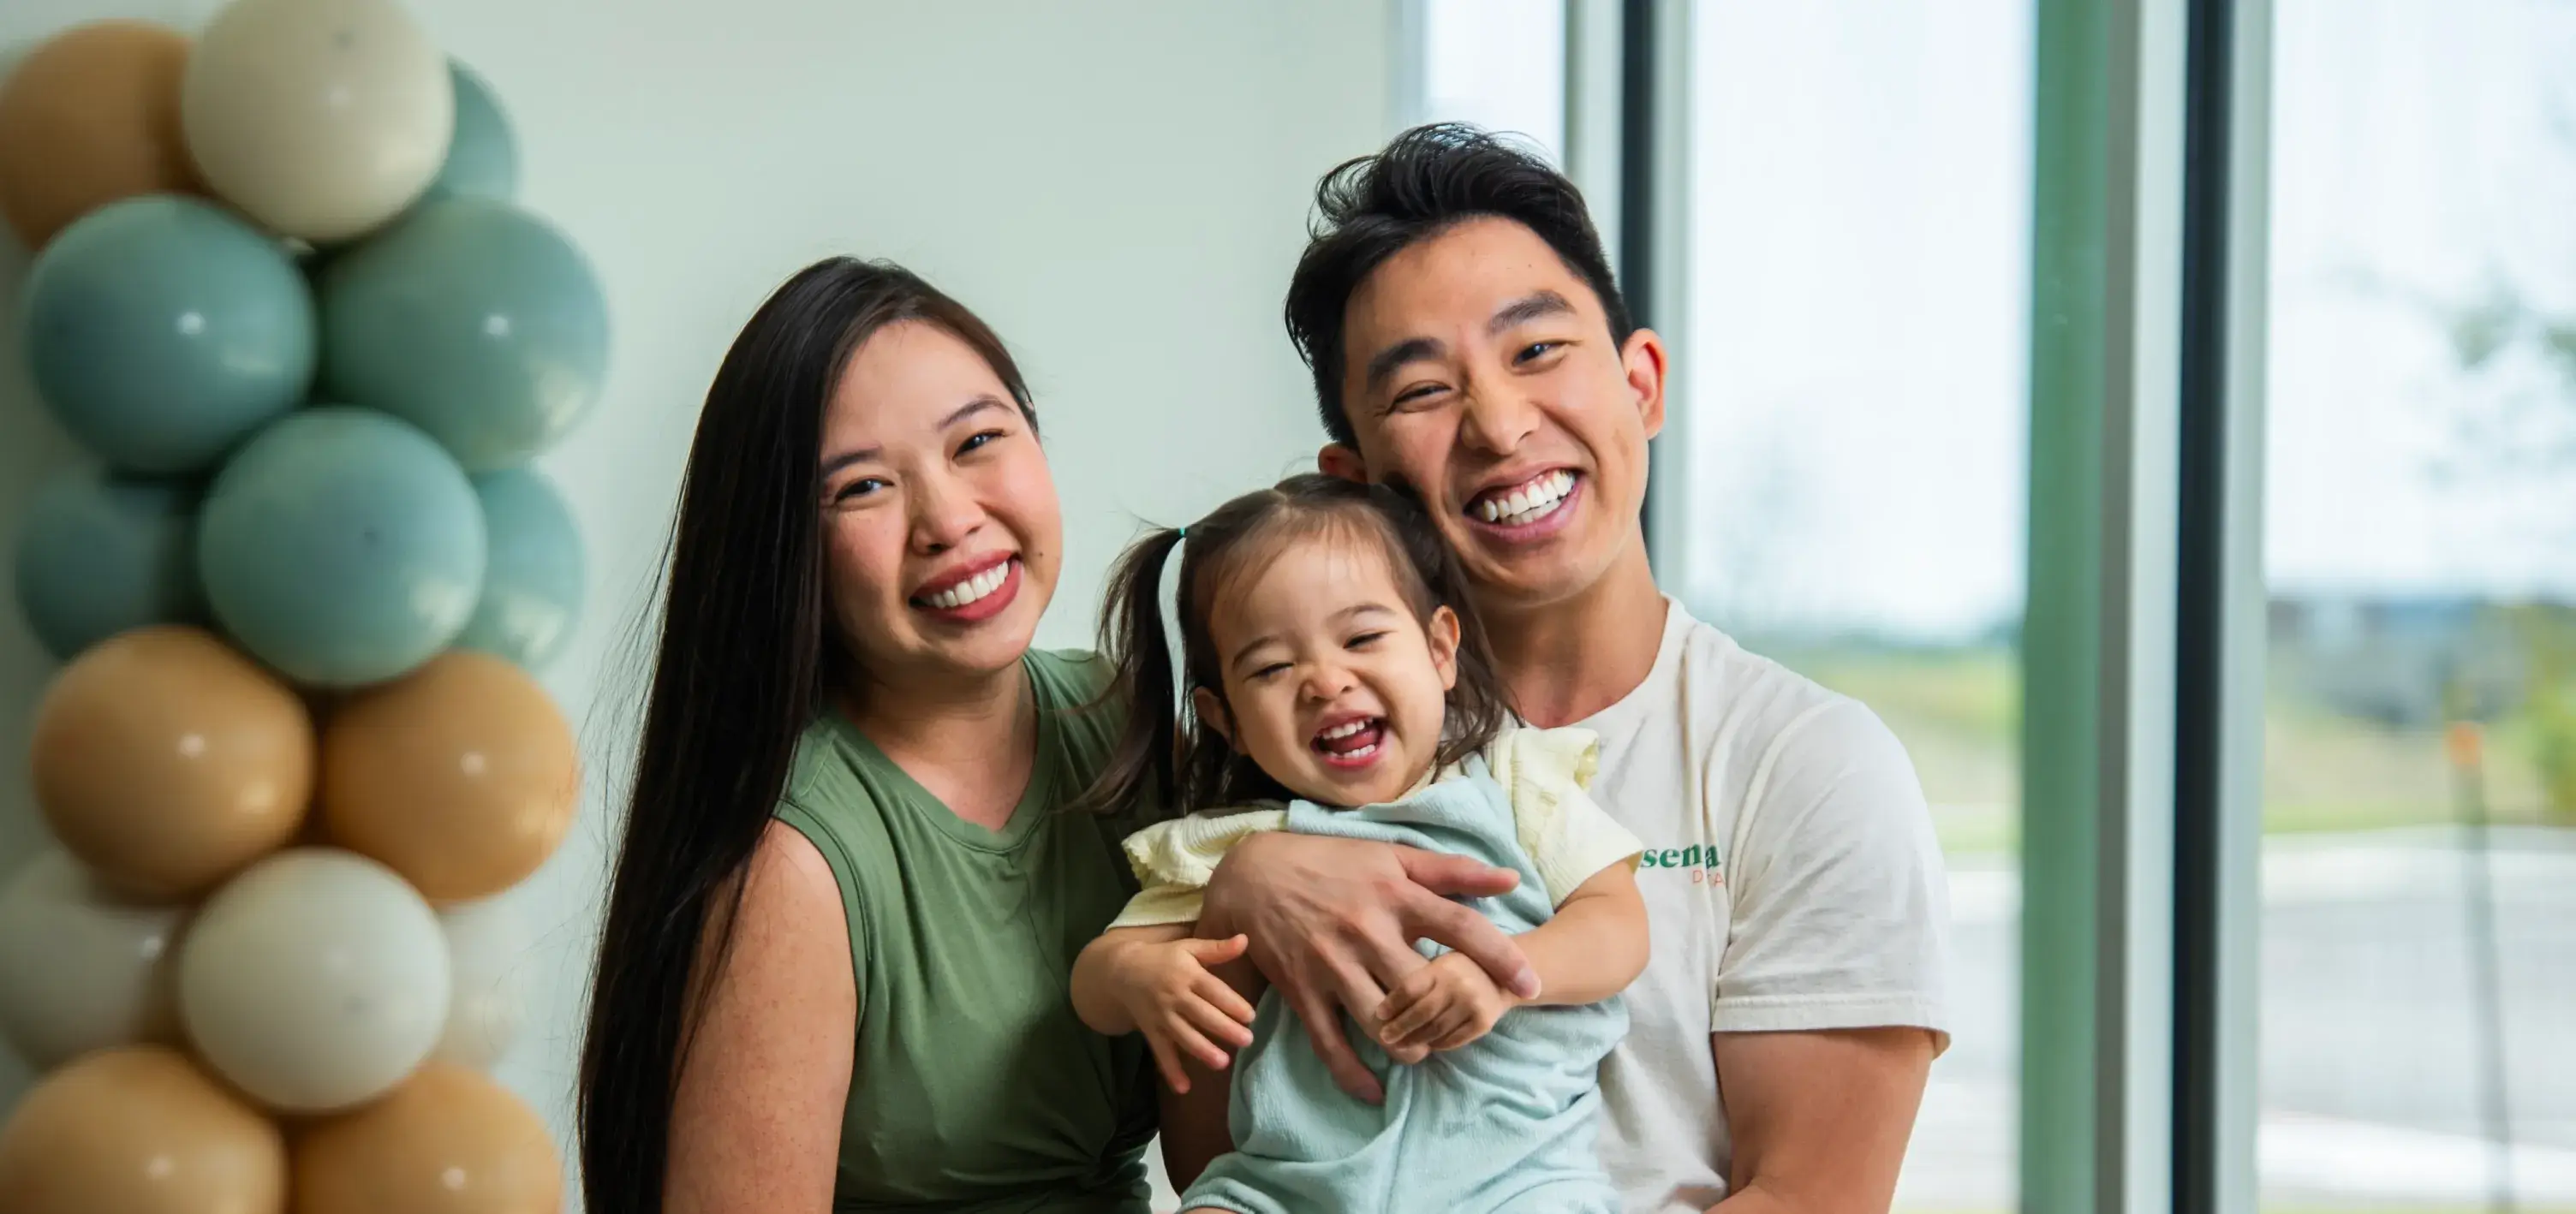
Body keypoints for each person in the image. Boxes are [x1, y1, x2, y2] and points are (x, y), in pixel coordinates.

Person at [1196, 123, 1954, 1212]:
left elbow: (1808, 1195)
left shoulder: (1805, 766)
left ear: (1639, 383)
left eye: (1536, 350)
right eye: (1420, 391)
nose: (1501, 426)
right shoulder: (1288, 752)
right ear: (1353, 479)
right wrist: (1239, 891)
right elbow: (1225, 1157)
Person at [575, 259, 1170, 1213]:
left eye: (977, 438)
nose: (947, 519)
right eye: (859, 489)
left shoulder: (1121, 720)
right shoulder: (790, 861)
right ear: (786, 548)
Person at [1064, 473, 1649, 1213]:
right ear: (1226, 721)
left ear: (1440, 649)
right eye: (1273, 668)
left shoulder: (1515, 781)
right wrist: (1139, 981)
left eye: (1363, 637)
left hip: (1515, 1179)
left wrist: (1505, 976)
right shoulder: (1227, 846)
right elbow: (1096, 980)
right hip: (1287, 1186)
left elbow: (1617, 924)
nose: (1325, 681)